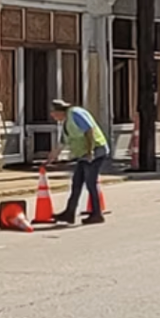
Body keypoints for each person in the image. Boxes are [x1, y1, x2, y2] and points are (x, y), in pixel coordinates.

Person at [49, 97, 108, 226]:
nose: (53, 118)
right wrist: (51, 158)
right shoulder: (66, 124)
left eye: (53, 114)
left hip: (95, 150)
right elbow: (62, 143)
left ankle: (97, 214)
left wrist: (90, 151)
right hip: (83, 154)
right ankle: (69, 213)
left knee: (90, 183)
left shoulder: (76, 114)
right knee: (76, 184)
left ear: (59, 111)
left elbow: (89, 130)